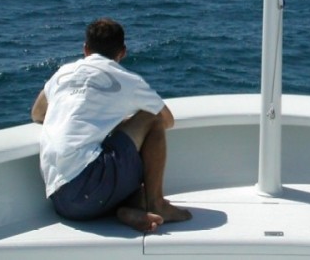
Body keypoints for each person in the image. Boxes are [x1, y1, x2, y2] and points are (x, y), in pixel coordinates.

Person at [31, 18, 192, 232]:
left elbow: (37, 113)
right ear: (122, 52)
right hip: (89, 191)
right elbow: (166, 120)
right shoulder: (127, 79)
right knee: (150, 118)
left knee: (111, 165)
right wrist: (120, 123)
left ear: (85, 49)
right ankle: (156, 204)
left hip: (60, 200)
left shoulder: (62, 73)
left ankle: (128, 209)